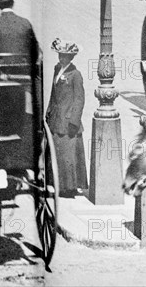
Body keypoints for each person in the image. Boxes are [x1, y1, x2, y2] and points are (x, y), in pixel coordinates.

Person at [46, 38, 88, 198]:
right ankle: (58, 184)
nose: (61, 58)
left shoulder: (76, 75)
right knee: (56, 153)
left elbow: (79, 99)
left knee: (68, 156)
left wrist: (74, 120)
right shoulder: (57, 69)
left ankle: (69, 187)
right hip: (56, 119)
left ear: (71, 58)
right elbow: (53, 93)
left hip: (68, 121)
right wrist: (49, 111)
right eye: (60, 55)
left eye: (64, 56)